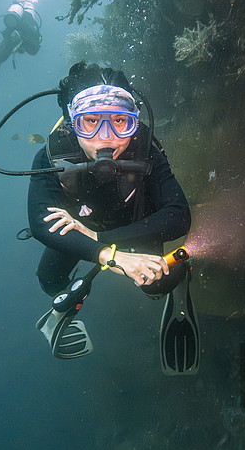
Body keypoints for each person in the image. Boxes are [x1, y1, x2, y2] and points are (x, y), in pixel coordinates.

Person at [27, 62, 198, 371]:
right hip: (79, 228)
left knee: (156, 285)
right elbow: (40, 222)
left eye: (121, 121)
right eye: (90, 122)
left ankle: (181, 274)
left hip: (132, 224)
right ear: (70, 122)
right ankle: (76, 293)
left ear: (134, 121)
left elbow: (178, 217)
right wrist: (110, 256)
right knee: (49, 280)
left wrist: (101, 241)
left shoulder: (144, 148)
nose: (106, 137)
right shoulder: (53, 155)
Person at [0, 2, 42, 83]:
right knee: (3, 51)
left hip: (28, 40)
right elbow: (7, 45)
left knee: (30, 49)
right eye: (9, 21)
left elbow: (34, 49)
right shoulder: (10, 29)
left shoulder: (27, 25)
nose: (11, 23)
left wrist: (21, 37)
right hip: (16, 40)